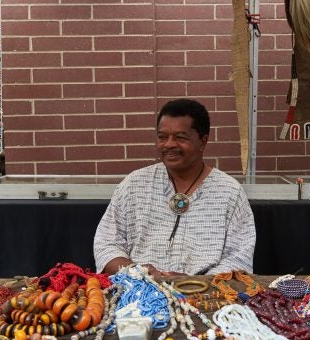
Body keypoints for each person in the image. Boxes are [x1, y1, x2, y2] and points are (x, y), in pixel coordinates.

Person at [93, 98, 256, 276]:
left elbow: (239, 258)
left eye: (180, 137)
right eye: (162, 137)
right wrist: (137, 272)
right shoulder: (133, 185)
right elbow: (106, 244)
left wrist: (195, 283)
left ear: (203, 141)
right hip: (137, 292)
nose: (169, 144)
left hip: (205, 297)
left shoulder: (229, 192)